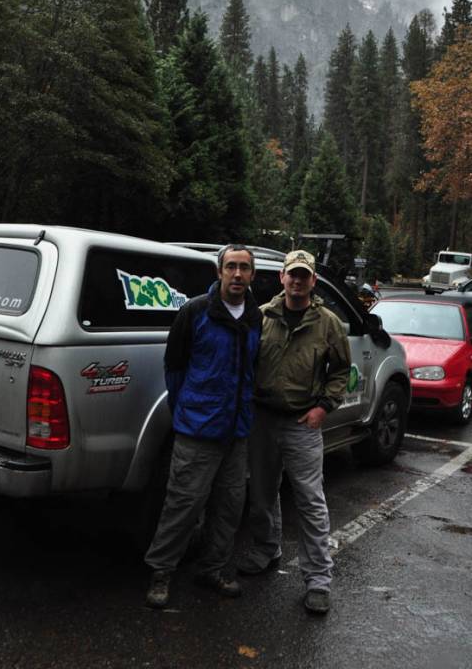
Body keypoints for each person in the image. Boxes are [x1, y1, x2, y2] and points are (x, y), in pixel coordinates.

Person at [144, 244, 262, 609]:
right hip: (198, 430)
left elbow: (252, 370)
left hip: (236, 431)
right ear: (220, 272)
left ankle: (212, 568)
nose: (238, 274)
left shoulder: (256, 317)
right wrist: (188, 413)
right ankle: (161, 572)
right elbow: (174, 368)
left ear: (252, 275)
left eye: (244, 268)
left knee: (229, 507)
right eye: (231, 267)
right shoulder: (195, 311)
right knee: (183, 504)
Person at [237, 249, 351, 615]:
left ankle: (318, 580)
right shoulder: (262, 317)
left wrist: (323, 408)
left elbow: (341, 372)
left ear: (313, 281)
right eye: (292, 274)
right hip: (263, 420)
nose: (298, 281)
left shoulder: (328, 323)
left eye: (304, 275)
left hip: (303, 423)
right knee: (262, 494)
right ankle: (266, 549)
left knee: (310, 502)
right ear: (282, 278)